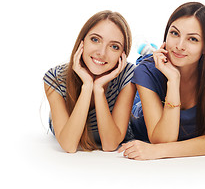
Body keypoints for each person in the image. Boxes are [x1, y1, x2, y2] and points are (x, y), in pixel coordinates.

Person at [118, 2, 205, 160]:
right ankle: (146, 52)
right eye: (174, 33)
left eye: (192, 39)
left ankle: (148, 49)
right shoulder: (145, 72)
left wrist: (156, 152)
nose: (179, 45)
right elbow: (162, 140)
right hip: (140, 111)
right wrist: (173, 80)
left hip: (167, 69)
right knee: (145, 64)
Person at [43, 10, 136, 153]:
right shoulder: (55, 78)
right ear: (82, 41)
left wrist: (98, 89)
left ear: (123, 54)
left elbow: (110, 145)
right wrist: (87, 86)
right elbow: (69, 145)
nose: (102, 52)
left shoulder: (128, 75)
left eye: (114, 46)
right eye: (95, 40)